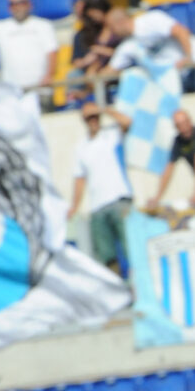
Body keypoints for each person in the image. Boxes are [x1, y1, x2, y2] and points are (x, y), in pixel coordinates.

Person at [70, 102, 134, 274]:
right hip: (97, 206)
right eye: (89, 117)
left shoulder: (111, 134)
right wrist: (74, 206)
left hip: (119, 199)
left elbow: (127, 122)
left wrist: (103, 109)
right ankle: (117, 291)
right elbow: (79, 179)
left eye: (95, 117)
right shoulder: (81, 146)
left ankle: (138, 288)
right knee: (106, 256)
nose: (93, 120)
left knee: (131, 249)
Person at [104, 8, 195, 93]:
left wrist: (188, 58)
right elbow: (110, 71)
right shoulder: (127, 45)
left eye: (111, 28)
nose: (111, 34)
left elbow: (181, 31)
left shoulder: (151, 20)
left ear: (120, 23)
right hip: (177, 76)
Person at [0, 0, 58, 96]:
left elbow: (52, 52)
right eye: (13, 4)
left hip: (40, 89)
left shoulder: (43, 25)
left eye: (21, 2)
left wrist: (49, 75)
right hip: (13, 92)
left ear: (29, 4)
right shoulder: (1, 27)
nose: (17, 7)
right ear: (9, 7)